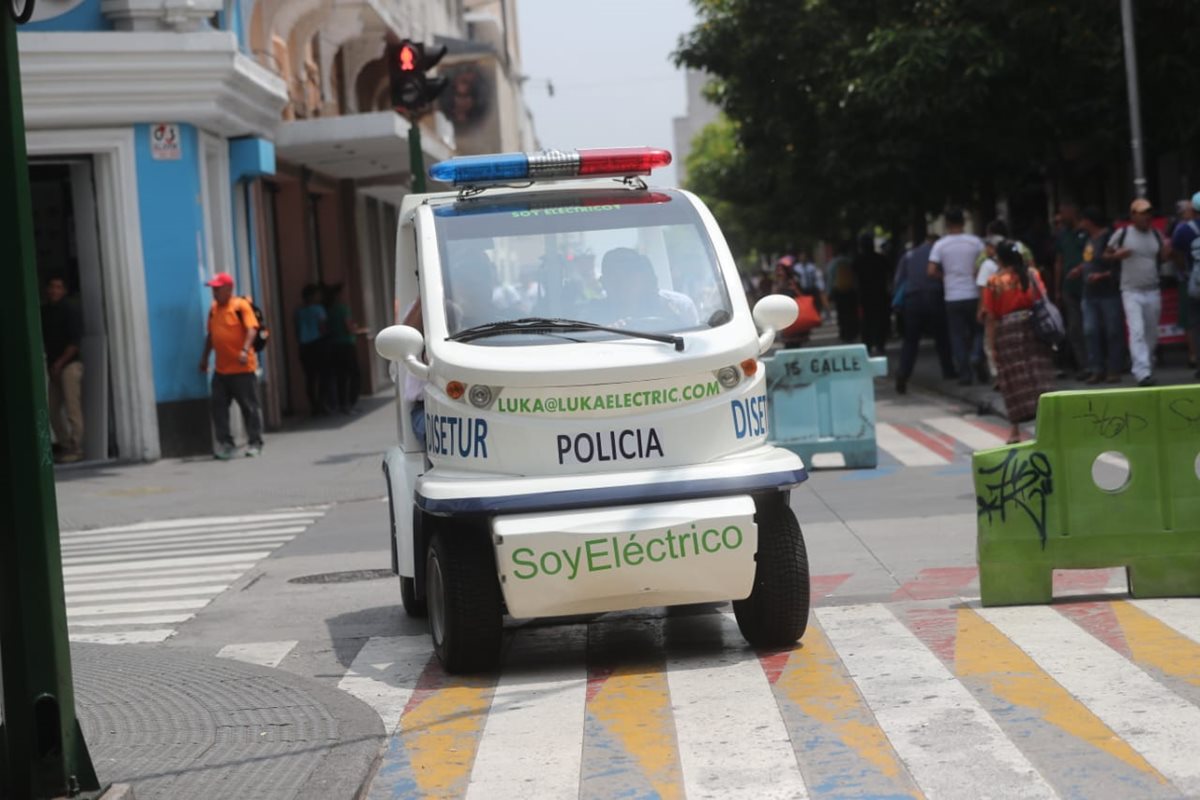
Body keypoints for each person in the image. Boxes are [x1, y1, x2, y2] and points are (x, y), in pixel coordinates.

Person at [983, 242, 1056, 444]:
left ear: (1000, 259)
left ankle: (1015, 431)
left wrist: (992, 346)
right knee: (1038, 375)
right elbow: (1042, 298)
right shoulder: (1032, 275)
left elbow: (991, 317)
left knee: (1012, 380)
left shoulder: (994, 282)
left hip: (1007, 332)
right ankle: (1048, 425)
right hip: (1033, 328)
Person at [1105, 198, 1170, 386]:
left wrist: (1168, 252)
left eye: (1148, 213)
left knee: (1151, 333)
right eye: (1142, 213)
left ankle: (1146, 363)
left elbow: (1162, 257)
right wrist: (1117, 255)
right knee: (1137, 331)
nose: (1146, 217)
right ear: (1133, 215)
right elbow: (1106, 254)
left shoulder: (1156, 234)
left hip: (1152, 289)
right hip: (1131, 291)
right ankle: (1142, 372)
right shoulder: (1123, 233)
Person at [199, 272, 263, 458]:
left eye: (217, 288)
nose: (214, 292)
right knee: (218, 407)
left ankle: (255, 443)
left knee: (249, 407)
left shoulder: (240, 306)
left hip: (243, 369)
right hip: (221, 370)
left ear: (228, 289)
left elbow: (252, 329)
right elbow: (211, 336)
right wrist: (204, 358)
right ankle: (226, 444)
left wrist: (244, 350)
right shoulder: (213, 309)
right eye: (213, 289)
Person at [928, 207, 986, 385]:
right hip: (974, 293)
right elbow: (984, 264)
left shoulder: (940, 245)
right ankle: (977, 355)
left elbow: (931, 270)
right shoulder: (975, 242)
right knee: (979, 330)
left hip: (952, 296)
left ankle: (965, 374)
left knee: (957, 336)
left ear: (947, 223)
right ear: (963, 222)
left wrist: (945, 277)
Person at [893, 233, 955, 394]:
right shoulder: (939, 254)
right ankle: (948, 371)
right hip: (935, 297)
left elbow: (899, 280)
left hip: (912, 300)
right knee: (942, 337)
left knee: (911, 341)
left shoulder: (909, 255)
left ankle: (903, 373)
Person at [41, 274, 85, 463]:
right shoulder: (45, 312)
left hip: (69, 365)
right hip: (54, 367)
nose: (54, 290)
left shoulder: (70, 310)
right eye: (51, 286)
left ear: (64, 290)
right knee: (52, 410)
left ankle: (77, 448)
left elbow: (75, 343)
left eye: (58, 287)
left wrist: (59, 364)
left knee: (72, 408)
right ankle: (65, 445)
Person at [1078, 207, 1124, 383]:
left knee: (1113, 331)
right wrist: (1080, 269)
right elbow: (1089, 260)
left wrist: (1102, 275)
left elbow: (1118, 266)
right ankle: (1096, 368)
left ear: (1089, 221)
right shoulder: (1088, 239)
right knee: (1090, 331)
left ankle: (1114, 368)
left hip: (1108, 292)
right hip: (1089, 292)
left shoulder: (1109, 238)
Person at [1053, 203, 1090, 378]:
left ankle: (1097, 364)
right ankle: (1084, 365)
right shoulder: (1062, 235)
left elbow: (1092, 256)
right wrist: (1057, 289)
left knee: (1091, 328)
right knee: (1074, 328)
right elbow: (1059, 262)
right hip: (1069, 287)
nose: (1061, 217)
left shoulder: (1086, 232)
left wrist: (1082, 269)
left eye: (1063, 213)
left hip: (1088, 286)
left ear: (1072, 212)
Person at [1169, 193, 1200, 375]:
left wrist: (1187, 273)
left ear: (1193, 210)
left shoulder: (1183, 230)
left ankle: (1196, 359)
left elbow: (1175, 254)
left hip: (1194, 284)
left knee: (1195, 323)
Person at [324, 283, 364, 414]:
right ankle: (350, 402)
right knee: (354, 374)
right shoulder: (343, 309)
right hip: (346, 344)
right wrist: (355, 329)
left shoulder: (330, 310)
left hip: (334, 345)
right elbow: (349, 327)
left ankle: (342, 403)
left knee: (341, 375)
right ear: (339, 295)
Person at [853, 234, 892, 356]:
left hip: (865, 295)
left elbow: (855, 279)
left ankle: (868, 345)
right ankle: (880, 344)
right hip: (880, 294)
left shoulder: (858, 261)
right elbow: (889, 275)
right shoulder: (881, 259)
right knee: (880, 320)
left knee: (866, 321)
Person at [295, 284, 329, 415]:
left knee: (310, 377)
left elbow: (297, 330)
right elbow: (322, 326)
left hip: (304, 346)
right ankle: (322, 404)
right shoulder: (318, 309)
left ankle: (314, 405)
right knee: (323, 376)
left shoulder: (299, 311)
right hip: (317, 344)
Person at [827, 241, 859, 341]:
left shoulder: (833, 263)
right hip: (851, 291)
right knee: (851, 312)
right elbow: (856, 277)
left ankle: (844, 333)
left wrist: (829, 292)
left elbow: (830, 279)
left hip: (838, 291)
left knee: (841, 313)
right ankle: (852, 333)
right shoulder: (851, 261)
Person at [792, 249, 830, 314]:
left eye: (804, 257)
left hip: (811, 287)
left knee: (815, 301)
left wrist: (820, 287)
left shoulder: (812, 267)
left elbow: (817, 277)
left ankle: (818, 313)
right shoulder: (796, 268)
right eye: (801, 257)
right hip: (801, 288)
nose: (803, 258)